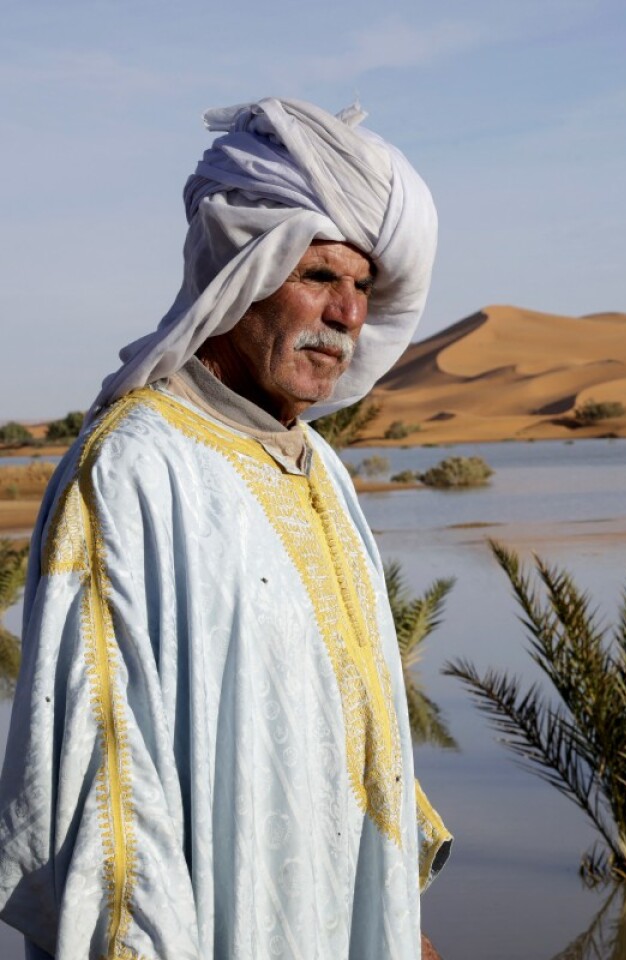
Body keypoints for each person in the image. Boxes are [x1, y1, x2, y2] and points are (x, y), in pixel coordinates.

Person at [0, 98, 450, 959]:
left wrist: (396, 916)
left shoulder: (320, 466)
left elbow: (358, 727)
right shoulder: (136, 469)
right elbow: (107, 788)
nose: (351, 315)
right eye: (320, 277)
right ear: (241, 276)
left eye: (363, 287)